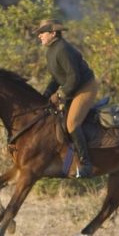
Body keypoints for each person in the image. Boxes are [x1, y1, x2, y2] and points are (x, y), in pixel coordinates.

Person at [35, 19, 98, 178]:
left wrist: (61, 94)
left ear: (53, 33)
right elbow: (57, 78)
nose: (39, 36)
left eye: (42, 32)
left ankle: (85, 164)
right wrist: (46, 94)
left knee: (71, 123)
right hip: (73, 88)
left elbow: (74, 77)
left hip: (85, 88)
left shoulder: (62, 49)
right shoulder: (51, 50)